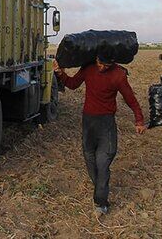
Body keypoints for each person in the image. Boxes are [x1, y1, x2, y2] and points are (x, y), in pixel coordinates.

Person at [53, 53, 146, 215]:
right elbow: (73, 84)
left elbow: (130, 99)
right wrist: (61, 74)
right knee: (89, 159)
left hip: (106, 124)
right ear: (95, 59)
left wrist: (139, 120)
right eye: (100, 63)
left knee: (103, 162)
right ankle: (100, 189)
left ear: (113, 63)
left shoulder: (118, 75)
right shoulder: (88, 69)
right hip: (88, 123)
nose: (102, 67)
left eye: (106, 65)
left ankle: (100, 202)